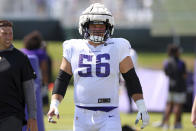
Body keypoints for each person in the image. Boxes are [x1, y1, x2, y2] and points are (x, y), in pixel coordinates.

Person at [47, 3, 149, 131]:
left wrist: (141, 106)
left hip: (109, 114)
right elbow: (63, 78)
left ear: (108, 27)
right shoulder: (73, 47)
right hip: (81, 114)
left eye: (101, 25)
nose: (97, 29)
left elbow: (131, 78)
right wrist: (54, 104)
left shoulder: (118, 46)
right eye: (93, 25)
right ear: (84, 26)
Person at [0, 20, 38, 131]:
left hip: (11, 116)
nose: (8, 37)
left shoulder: (21, 58)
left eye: (10, 33)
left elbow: (29, 90)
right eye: (4, 33)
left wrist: (32, 117)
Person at [154, 44, 187, 129]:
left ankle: (166, 124)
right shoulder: (181, 63)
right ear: (176, 52)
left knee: (169, 105)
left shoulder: (167, 62)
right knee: (178, 106)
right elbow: (184, 75)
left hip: (170, 87)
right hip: (180, 87)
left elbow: (166, 73)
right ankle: (176, 124)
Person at [21, 31, 49, 106]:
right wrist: (45, 83)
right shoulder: (41, 53)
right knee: (41, 103)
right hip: (36, 79)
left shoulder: (22, 51)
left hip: (22, 79)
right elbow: (44, 70)